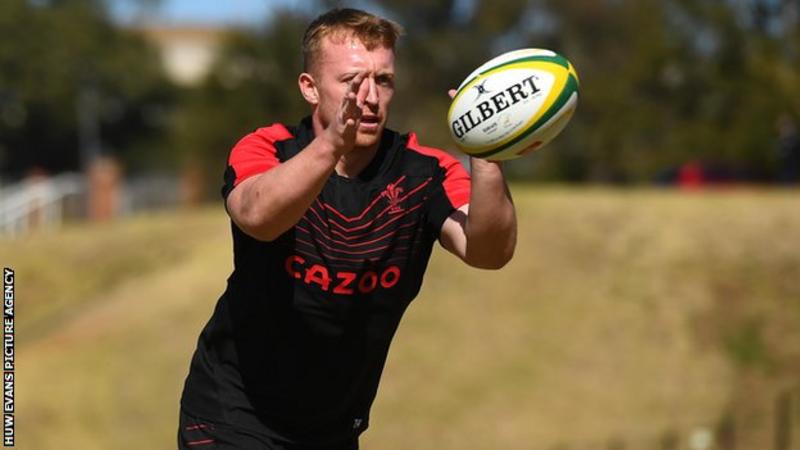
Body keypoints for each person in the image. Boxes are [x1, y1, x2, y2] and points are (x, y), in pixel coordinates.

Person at [178, 8, 516, 450]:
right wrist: (333, 144)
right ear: (310, 88)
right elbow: (258, 218)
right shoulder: (268, 148)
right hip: (233, 414)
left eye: (384, 81)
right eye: (352, 82)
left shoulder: (425, 171)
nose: (371, 97)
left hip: (333, 429)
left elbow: (489, 251)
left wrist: (487, 155)